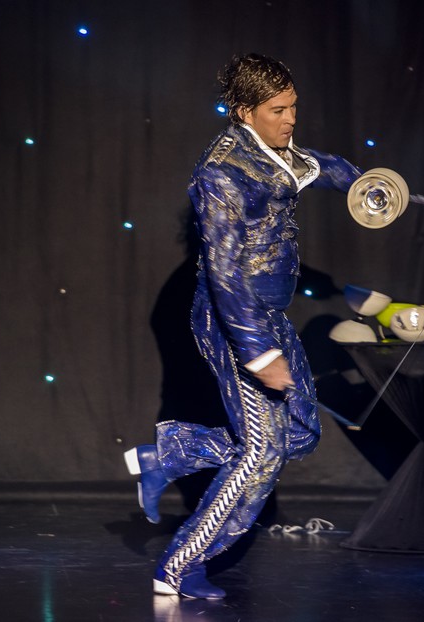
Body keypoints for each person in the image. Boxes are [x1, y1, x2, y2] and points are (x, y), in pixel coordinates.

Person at [124, 53, 362, 599]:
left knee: (298, 431)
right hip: (237, 324)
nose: (291, 119)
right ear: (244, 111)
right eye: (278, 110)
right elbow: (226, 275)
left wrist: (363, 184)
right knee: (261, 455)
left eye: (294, 107)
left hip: (269, 316)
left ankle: (168, 455)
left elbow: (314, 166)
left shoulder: (274, 153)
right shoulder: (221, 176)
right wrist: (258, 353)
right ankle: (178, 567)